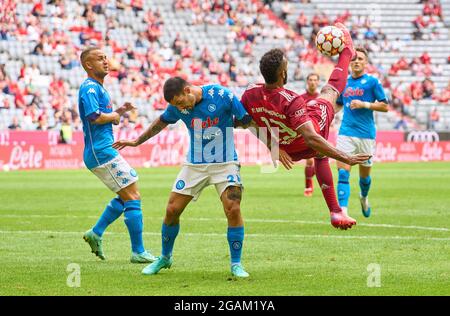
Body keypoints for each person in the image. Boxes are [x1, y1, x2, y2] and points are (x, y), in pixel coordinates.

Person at [113, 77, 253, 278]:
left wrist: (276, 144)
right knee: (172, 209)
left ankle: (236, 264)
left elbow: (246, 119)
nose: (180, 107)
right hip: (194, 164)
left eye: (180, 102)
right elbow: (160, 122)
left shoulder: (221, 95)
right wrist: (136, 141)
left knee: (233, 208)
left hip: (225, 163)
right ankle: (165, 257)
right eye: (176, 106)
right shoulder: (177, 107)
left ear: (187, 90)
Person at [241, 23, 371, 230]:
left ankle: (336, 211)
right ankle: (347, 52)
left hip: (288, 150)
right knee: (329, 92)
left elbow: (248, 122)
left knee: (319, 155)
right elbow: (312, 138)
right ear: (283, 73)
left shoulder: (249, 94)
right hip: (308, 138)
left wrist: (274, 147)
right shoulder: (290, 99)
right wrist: (344, 157)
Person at [78, 47, 156, 263]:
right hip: (101, 151)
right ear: (88, 65)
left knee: (127, 196)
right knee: (133, 197)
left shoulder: (99, 88)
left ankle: (96, 232)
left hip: (104, 150)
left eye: (106, 58)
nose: (105, 61)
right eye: (100, 58)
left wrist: (119, 112)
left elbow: (104, 116)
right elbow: (93, 117)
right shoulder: (90, 88)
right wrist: (114, 115)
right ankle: (137, 252)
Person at [335, 46, 388, 218]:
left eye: (360, 59)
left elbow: (384, 106)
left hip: (366, 135)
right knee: (343, 172)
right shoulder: (344, 83)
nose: (356, 61)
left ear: (365, 62)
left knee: (364, 178)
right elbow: (338, 104)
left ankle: (364, 197)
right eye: (354, 59)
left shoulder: (373, 82)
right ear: (349, 62)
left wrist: (364, 104)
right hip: (345, 132)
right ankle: (343, 211)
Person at [300, 73, 320, 197]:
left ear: (318, 82)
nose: (313, 82)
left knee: (318, 161)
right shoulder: (301, 98)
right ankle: (308, 186)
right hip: (307, 132)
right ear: (307, 81)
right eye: (310, 80)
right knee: (309, 161)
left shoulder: (321, 98)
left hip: (320, 132)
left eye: (315, 80)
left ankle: (311, 177)